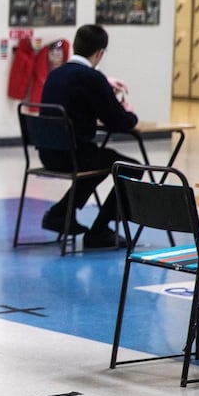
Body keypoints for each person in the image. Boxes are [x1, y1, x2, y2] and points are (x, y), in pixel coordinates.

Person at [38, 24, 139, 249]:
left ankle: (59, 214)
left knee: (97, 163)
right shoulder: (92, 78)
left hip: (50, 153)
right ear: (100, 53)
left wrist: (103, 84)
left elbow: (79, 99)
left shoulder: (55, 74)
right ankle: (100, 230)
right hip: (74, 155)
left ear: (75, 45)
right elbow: (119, 122)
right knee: (131, 168)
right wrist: (130, 113)